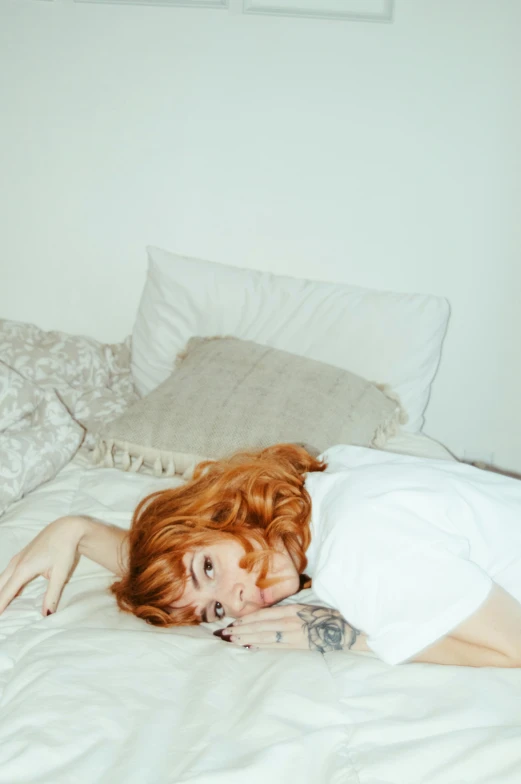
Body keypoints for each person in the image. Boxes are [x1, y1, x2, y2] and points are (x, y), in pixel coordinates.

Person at [1, 443, 521, 667]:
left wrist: (345, 637)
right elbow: (190, 578)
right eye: (218, 612)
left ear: (223, 512)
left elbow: (513, 650)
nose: (242, 598)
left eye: (210, 568)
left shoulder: (357, 552)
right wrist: (79, 530)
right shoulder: (328, 479)